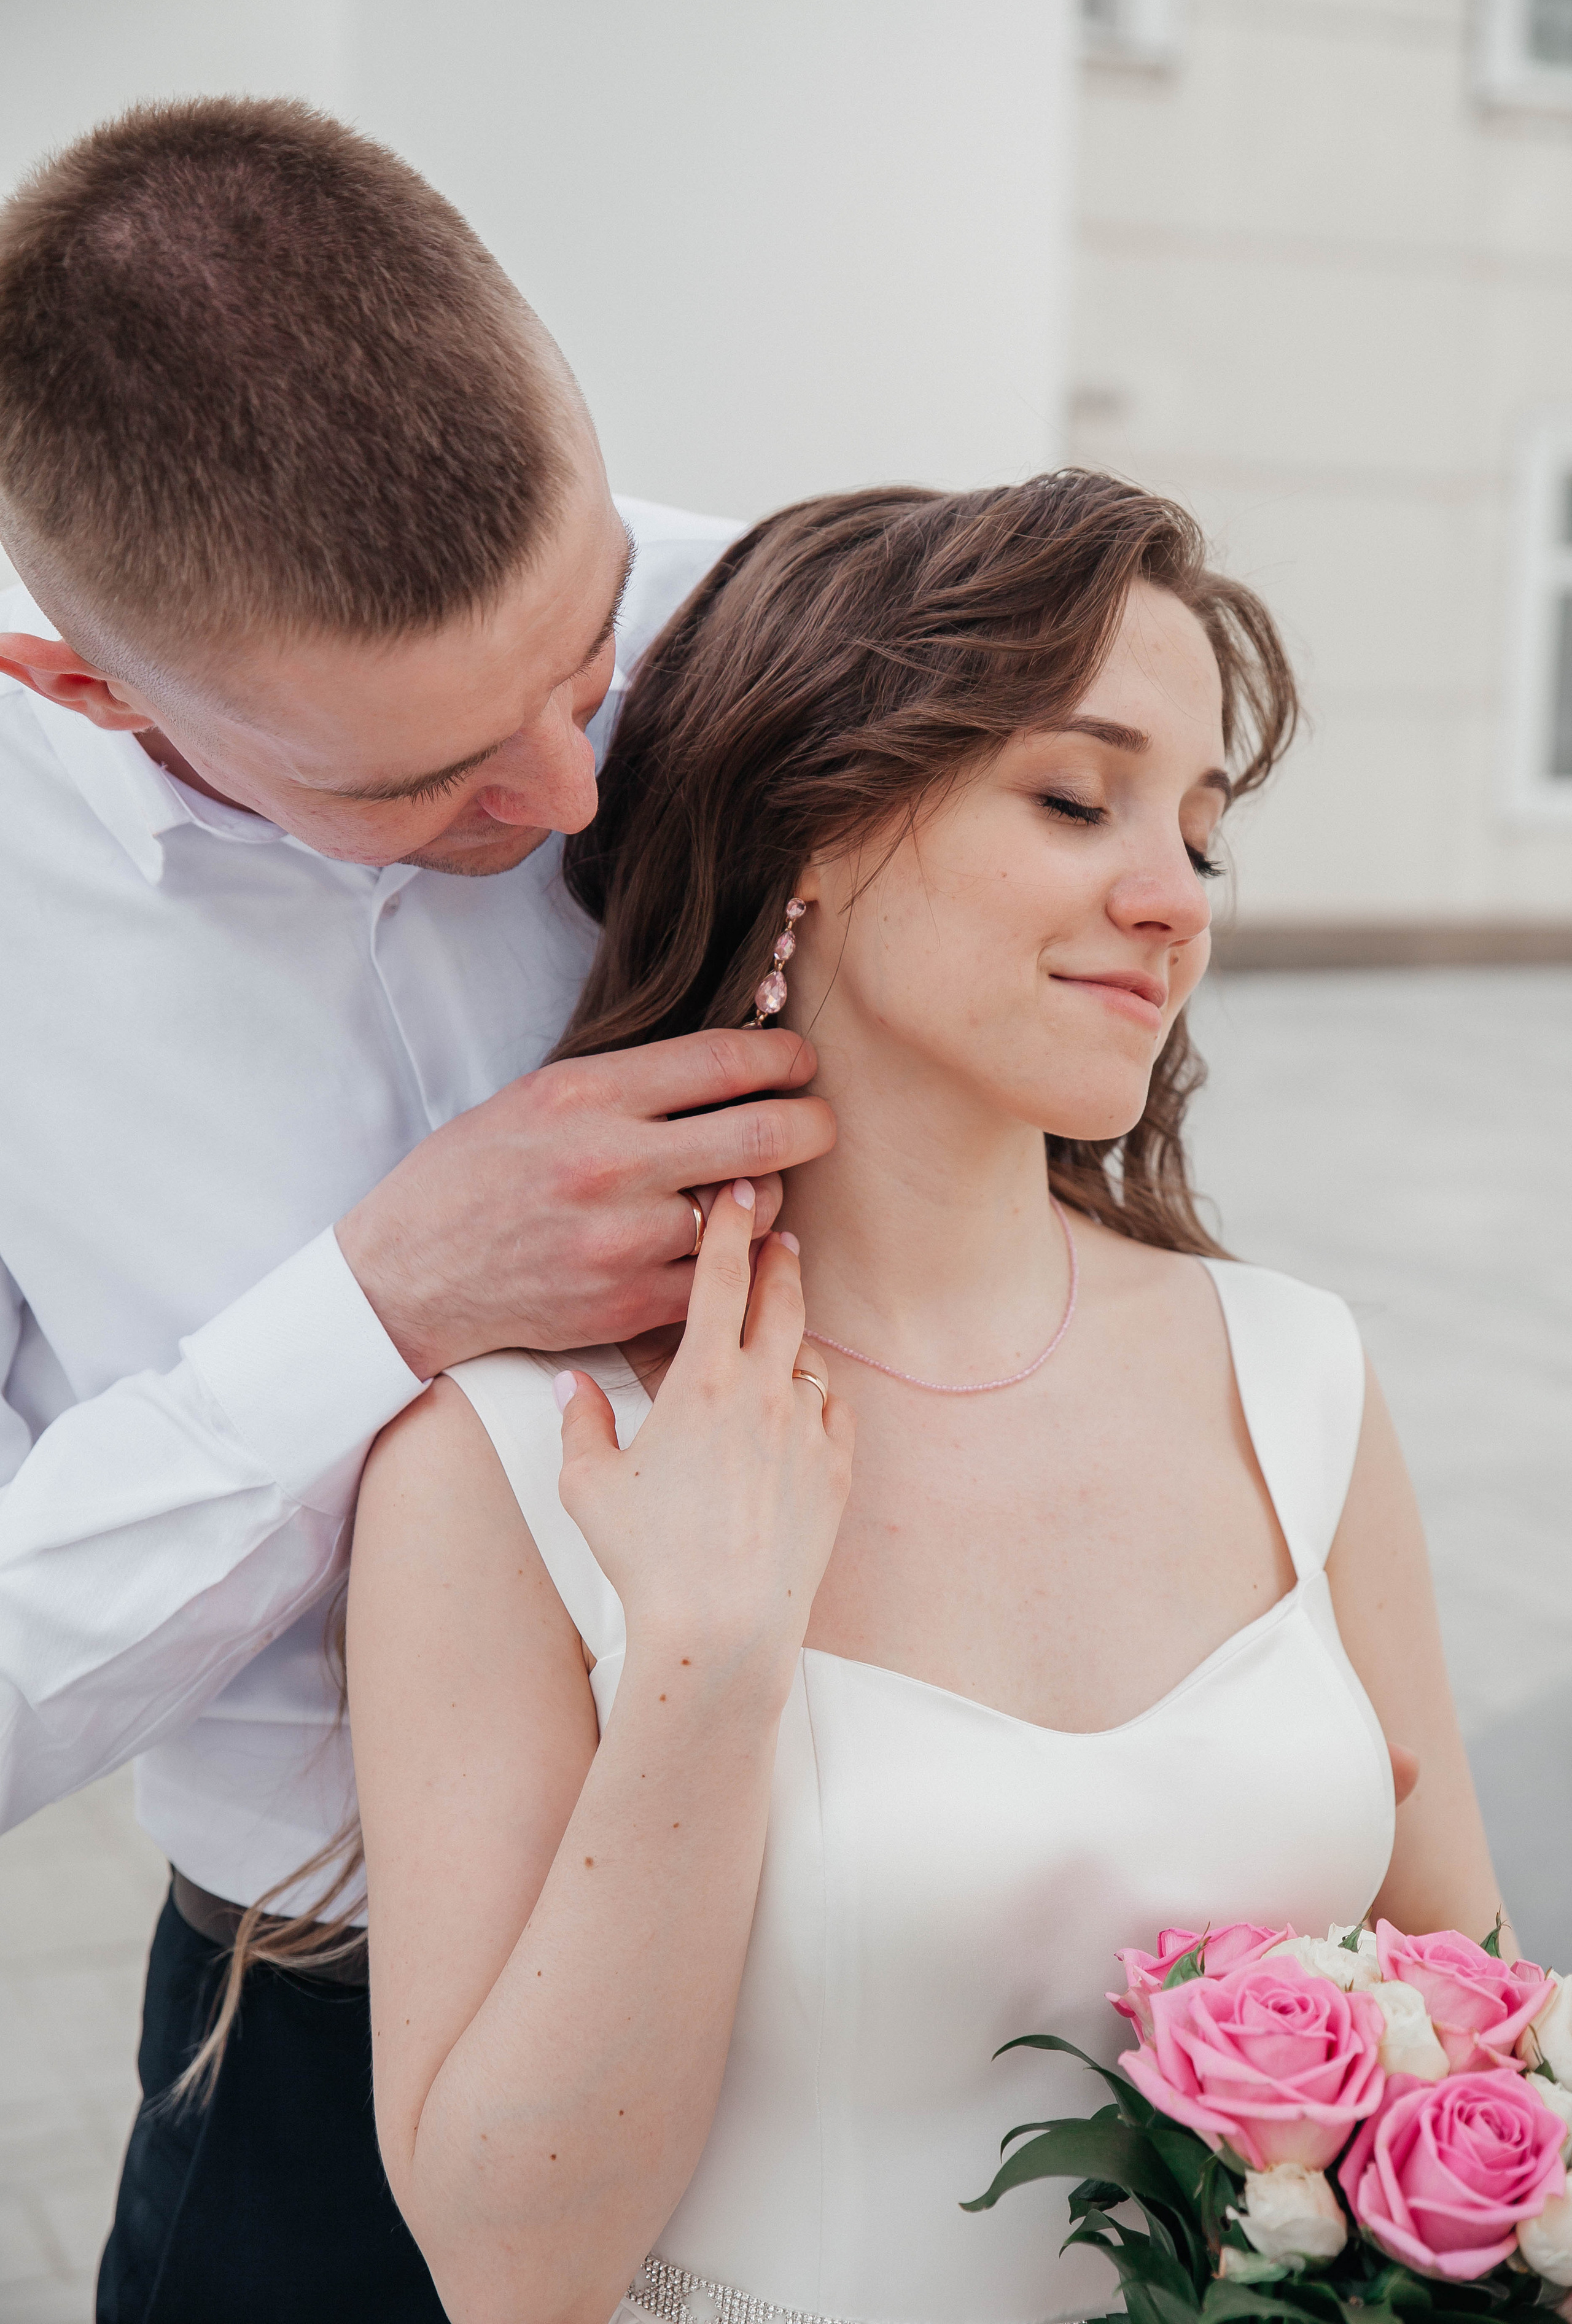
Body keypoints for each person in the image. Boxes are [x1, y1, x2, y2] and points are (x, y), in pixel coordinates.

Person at [348, 474, 1506, 2324]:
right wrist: (710, 1664)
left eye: (1203, 837)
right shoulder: (503, 1464)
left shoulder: (1295, 1373)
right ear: (809, 825)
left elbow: (1472, 2010)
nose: (1173, 901)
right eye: (1075, 798)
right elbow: (511, 2269)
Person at [0, 98, 833, 2322]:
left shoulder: (788, 634)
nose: (572, 797)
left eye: (587, 664)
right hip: (317, 2031)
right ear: (82, 689)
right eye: (423, 781)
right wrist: (370, 1312)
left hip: (859, 1956)